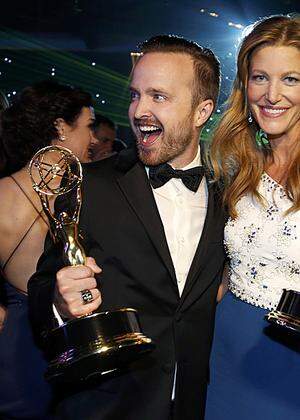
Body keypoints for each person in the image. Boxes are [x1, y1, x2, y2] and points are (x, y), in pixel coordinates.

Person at [28, 35, 226, 420]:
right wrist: (57, 302)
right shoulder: (87, 185)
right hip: (106, 406)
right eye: (136, 95)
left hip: (196, 405)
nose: (139, 111)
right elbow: (39, 292)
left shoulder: (230, 193)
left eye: (159, 97)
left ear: (202, 111)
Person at [205, 15, 300, 420]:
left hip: (289, 363)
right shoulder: (236, 166)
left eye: (291, 79)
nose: (272, 94)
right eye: (260, 77)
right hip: (226, 352)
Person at [0, 80, 94, 419]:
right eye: (88, 126)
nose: (94, 139)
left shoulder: (2, 194)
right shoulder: (88, 193)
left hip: (16, 345)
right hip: (64, 341)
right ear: (60, 128)